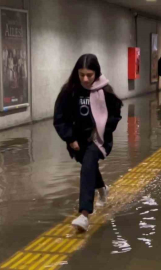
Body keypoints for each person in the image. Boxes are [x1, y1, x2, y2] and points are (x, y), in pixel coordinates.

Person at [53, 54, 123, 232]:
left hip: (99, 139)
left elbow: (116, 114)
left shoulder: (105, 91)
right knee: (88, 165)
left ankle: (84, 214)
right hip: (77, 140)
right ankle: (102, 188)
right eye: (82, 74)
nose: (85, 79)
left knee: (87, 166)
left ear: (96, 73)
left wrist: (102, 131)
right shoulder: (69, 91)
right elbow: (59, 118)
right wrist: (70, 138)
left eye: (89, 75)